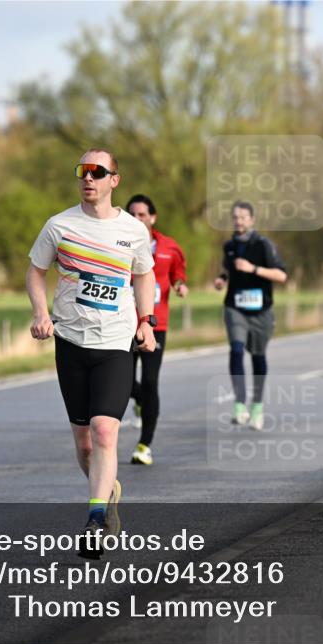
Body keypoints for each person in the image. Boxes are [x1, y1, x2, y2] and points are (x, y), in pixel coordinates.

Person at [27, 148, 156, 559]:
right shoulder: (60, 226)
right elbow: (35, 271)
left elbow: (144, 273)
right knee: (84, 444)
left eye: (98, 172)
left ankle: (96, 520)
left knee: (105, 430)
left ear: (114, 180)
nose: (88, 178)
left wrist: (146, 320)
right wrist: (41, 313)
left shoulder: (134, 231)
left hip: (116, 342)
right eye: (83, 171)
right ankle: (107, 490)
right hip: (70, 341)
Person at [213, 201, 288, 430]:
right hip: (235, 307)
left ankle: (256, 405)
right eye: (235, 217)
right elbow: (228, 269)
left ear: (252, 220)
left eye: (243, 217)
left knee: (258, 357)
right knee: (236, 349)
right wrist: (221, 280)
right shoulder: (229, 246)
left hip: (261, 310)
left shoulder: (263, 245)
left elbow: (282, 275)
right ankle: (239, 403)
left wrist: (253, 269)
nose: (239, 221)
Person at [125, 194, 188, 466]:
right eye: (132, 214)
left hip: (154, 323)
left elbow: (177, 271)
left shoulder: (169, 247)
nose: (137, 219)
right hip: (123, 323)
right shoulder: (118, 243)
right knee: (122, 381)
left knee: (150, 382)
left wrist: (180, 284)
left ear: (152, 217)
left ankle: (144, 445)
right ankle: (138, 399)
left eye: (141, 215)